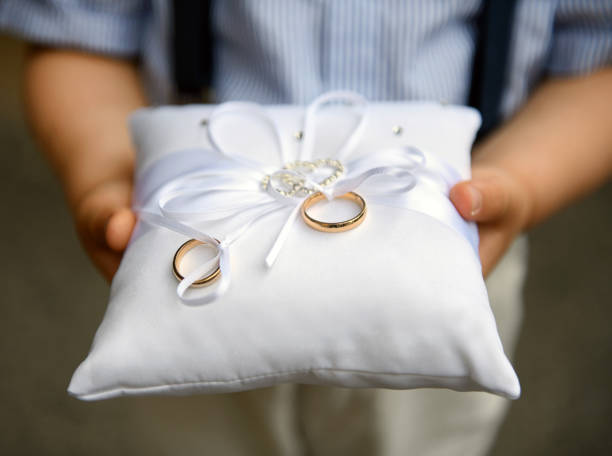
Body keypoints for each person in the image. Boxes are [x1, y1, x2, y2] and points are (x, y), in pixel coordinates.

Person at [1, 1, 611, 454]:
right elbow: (77, 35)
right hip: (199, 264)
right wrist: (100, 176)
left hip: (453, 246)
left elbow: (599, 55)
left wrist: (520, 186)